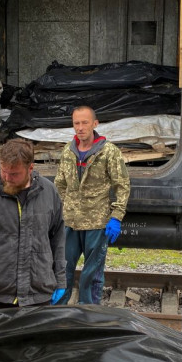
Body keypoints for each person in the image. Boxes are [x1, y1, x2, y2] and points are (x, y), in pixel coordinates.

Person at [0, 139, 66, 313]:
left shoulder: (49, 192)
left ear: (30, 168)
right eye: (4, 171)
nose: (7, 178)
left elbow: (58, 239)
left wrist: (60, 279)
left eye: (14, 174)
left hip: (38, 294)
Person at [53, 106, 130, 305]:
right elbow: (60, 183)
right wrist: (65, 207)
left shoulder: (108, 152)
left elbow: (122, 185)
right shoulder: (68, 151)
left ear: (95, 124)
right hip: (70, 222)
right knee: (62, 270)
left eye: (84, 122)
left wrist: (116, 217)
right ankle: (57, 314)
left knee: (92, 274)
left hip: (97, 223)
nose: (80, 127)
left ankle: (90, 314)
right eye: (76, 123)